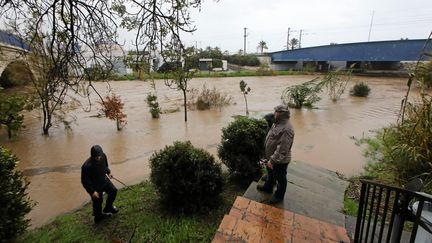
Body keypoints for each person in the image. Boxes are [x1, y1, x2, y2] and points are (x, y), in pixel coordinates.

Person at [257, 105, 295, 204]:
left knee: (280, 178)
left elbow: (283, 149)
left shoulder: (287, 129)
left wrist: (272, 160)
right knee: (270, 173)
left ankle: (279, 196)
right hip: (271, 157)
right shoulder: (277, 122)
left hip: (279, 160)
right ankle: (268, 187)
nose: (274, 113)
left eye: (276, 112)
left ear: (282, 114)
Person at [81, 145, 119, 223]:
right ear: (92, 156)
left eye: (99, 156)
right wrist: (92, 192)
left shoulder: (103, 156)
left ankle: (108, 207)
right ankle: (98, 217)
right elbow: (84, 181)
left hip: (104, 180)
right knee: (98, 201)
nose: (98, 158)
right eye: (96, 157)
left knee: (113, 191)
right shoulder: (86, 166)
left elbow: (105, 166)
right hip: (95, 187)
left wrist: (108, 172)